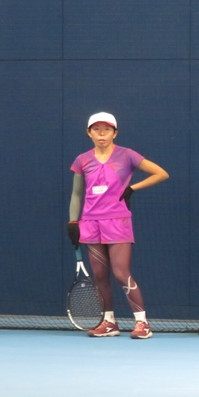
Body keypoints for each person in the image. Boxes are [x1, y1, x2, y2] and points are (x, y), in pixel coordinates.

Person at [68, 112, 168, 339]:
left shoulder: (127, 155)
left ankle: (142, 324)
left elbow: (161, 174)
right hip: (90, 222)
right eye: (96, 129)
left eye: (107, 129)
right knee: (99, 275)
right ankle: (109, 323)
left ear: (115, 133)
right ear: (89, 133)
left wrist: (132, 188)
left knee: (121, 273)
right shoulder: (82, 160)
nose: (101, 134)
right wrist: (73, 221)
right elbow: (76, 194)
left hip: (117, 221)